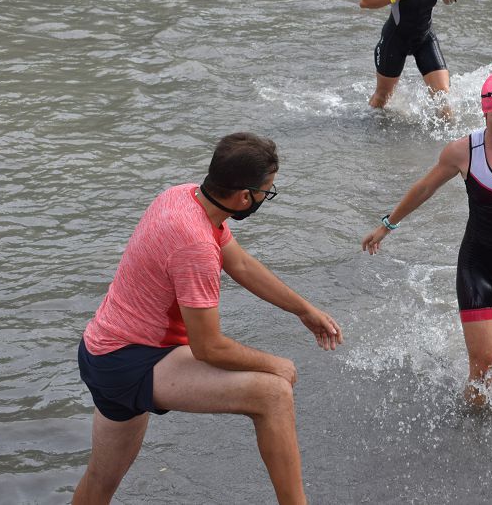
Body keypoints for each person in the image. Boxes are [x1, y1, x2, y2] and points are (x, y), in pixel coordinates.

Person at [73, 133, 343, 505]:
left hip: (100, 349)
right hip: (131, 361)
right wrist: (277, 364)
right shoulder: (194, 244)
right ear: (245, 197)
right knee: (273, 394)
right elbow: (209, 347)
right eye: (268, 191)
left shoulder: (182, 196)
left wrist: (303, 309)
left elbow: (240, 262)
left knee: (100, 481)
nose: (267, 197)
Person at [361, 72, 492, 404]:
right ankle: (470, 427)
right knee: (483, 366)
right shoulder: (463, 151)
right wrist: (387, 225)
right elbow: (425, 188)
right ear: (484, 112)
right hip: (477, 265)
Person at [359, 0, 457, 109]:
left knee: (443, 99)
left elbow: (449, 0)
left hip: (424, 39)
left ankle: (447, 136)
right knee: (382, 98)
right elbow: (365, 1)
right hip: (395, 40)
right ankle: (369, 134)